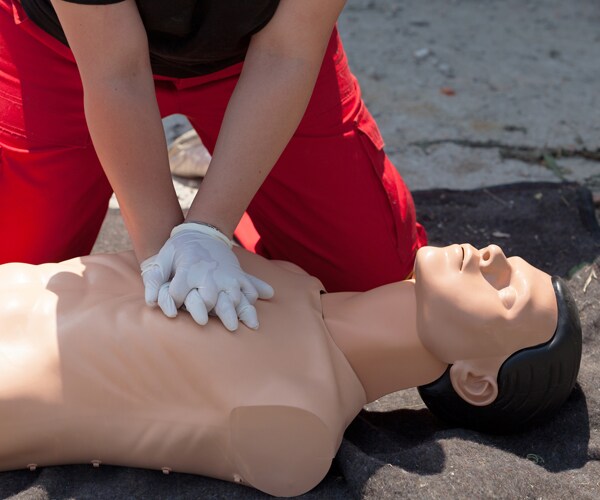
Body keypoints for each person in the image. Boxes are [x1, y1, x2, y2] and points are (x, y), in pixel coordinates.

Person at [0, 244, 582, 497]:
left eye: (507, 293)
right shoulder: (297, 283)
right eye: (511, 262)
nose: (493, 256)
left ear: (475, 381)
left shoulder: (301, 423)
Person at [0, 0, 427, 330]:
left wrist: (207, 230)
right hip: (66, 49)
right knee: (12, 281)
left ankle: (232, 174)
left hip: (259, 57)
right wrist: (164, 262)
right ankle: (225, 164)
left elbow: (288, 52)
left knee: (374, 284)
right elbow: (115, 71)